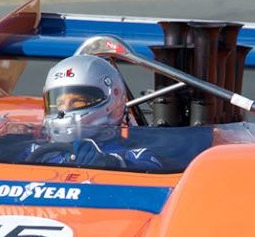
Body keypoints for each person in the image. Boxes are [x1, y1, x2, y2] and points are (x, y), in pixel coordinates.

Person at [23, 55, 163, 170]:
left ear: (111, 99)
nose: (64, 110)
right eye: (59, 103)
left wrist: (111, 164)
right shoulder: (38, 152)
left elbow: (153, 172)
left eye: (77, 101)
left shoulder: (134, 155)